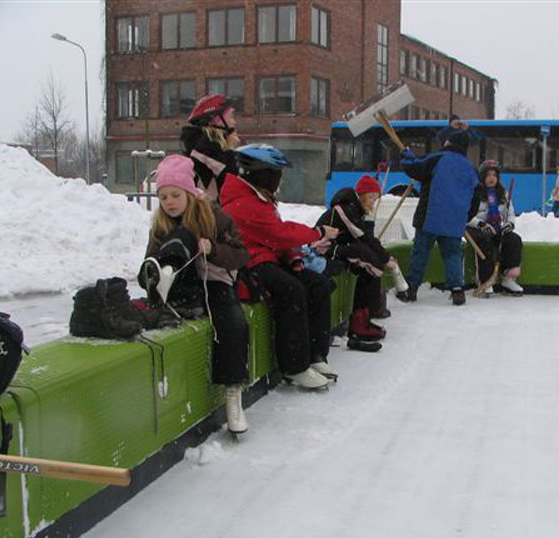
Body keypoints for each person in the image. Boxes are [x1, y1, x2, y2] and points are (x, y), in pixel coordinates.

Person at [139, 155, 251, 435]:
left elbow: (241, 255)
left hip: (213, 281)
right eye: (163, 196)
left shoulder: (216, 217)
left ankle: (233, 393)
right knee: (179, 238)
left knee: (233, 324)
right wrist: (149, 276)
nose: (169, 202)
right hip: (183, 283)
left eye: (175, 195)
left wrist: (213, 249)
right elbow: (148, 258)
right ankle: (164, 280)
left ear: (189, 192)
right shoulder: (161, 226)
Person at [219, 144, 340, 389]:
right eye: (278, 174)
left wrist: (291, 257)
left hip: (267, 259)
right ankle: (294, 366)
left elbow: (273, 238)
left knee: (317, 284)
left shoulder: (257, 198)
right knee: (291, 289)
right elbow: (278, 233)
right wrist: (317, 232)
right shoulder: (243, 203)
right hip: (248, 265)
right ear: (264, 174)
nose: (280, 180)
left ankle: (316, 354)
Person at [317, 176, 409, 347]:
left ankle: (362, 318)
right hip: (324, 249)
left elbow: (367, 238)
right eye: (372, 198)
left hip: (336, 247)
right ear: (362, 194)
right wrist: (386, 260)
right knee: (371, 263)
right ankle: (360, 322)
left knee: (369, 263)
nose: (372, 204)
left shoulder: (353, 210)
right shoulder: (344, 209)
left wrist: (385, 257)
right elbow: (363, 237)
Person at [399, 129, 479, 305]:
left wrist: (406, 155)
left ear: (449, 142)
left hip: (430, 216)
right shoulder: (471, 168)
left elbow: (415, 167)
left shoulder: (438, 158)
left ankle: (411, 288)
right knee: (452, 255)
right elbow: (475, 200)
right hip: (454, 221)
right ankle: (457, 290)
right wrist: (463, 218)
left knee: (420, 252)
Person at [467, 160, 524, 296]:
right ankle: (485, 281)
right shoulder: (474, 193)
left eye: (494, 175)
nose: (492, 178)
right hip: (476, 228)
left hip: (496, 226)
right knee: (485, 241)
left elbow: (510, 213)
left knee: (513, 239)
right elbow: (466, 215)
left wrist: (509, 224)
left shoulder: (502, 194)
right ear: (482, 177)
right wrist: (480, 224)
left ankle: (508, 278)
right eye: (488, 175)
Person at [180, 95, 241, 204]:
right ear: (215, 120)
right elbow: (235, 180)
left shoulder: (206, 146)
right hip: (207, 216)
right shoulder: (206, 149)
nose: (234, 122)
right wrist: (231, 151)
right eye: (231, 117)